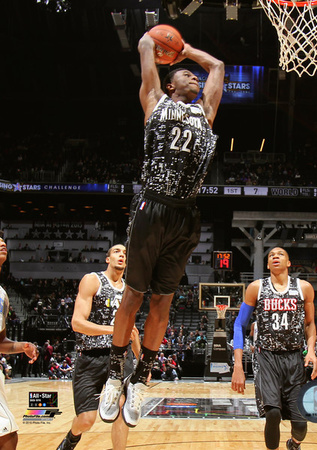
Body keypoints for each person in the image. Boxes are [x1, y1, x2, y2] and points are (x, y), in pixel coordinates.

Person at [99, 31, 224, 428]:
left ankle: (138, 380)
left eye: (195, 78)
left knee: (162, 302)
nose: (196, 79)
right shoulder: (155, 102)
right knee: (134, 294)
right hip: (153, 205)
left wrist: (185, 51)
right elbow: (144, 44)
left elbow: (217, 67)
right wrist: (162, 47)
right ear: (170, 83)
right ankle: (114, 373)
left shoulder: (205, 114)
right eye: (188, 75)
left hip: (186, 217)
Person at [231, 247, 317, 450]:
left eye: (280, 254)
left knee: (300, 424)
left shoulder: (304, 288)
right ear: (268, 264)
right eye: (271, 255)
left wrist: (311, 351)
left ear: (288, 263)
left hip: (294, 358)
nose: (275, 256)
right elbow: (239, 325)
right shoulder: (256, 288)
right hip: (266, 357)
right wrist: (238, 366)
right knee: (272, 414)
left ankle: (294, 443)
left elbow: (310, 323)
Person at [56, 244, 140, 450]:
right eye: (117, 251)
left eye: (125, 253)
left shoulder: (130, 289)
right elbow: (77, 323)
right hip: (91, 356)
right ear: (107, 258)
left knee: (122, 408)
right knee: (86, 419)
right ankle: (71, 439)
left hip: (120, 357)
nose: (122, 255)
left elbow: (133, 330)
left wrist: (142, 362)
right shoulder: (92, 280)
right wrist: (114, 330)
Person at [0, 235, 38, 449]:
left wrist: (21, 346)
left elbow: (0, 341)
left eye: (2, 239)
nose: (2, 242)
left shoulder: (3, 295)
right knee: (8, 437)